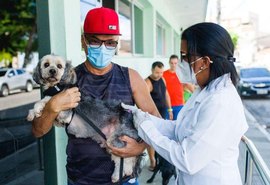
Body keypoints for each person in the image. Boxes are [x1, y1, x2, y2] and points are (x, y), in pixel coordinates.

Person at [31, 7, 160, 185]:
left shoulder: (131, 77)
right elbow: (38, 131)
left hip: (124, 177)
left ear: (117, 43)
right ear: (83, 41)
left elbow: (156, 119)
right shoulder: (67, 78)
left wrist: (140, 146)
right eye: (95, 41)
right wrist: (53, 107)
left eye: (110, 43)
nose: (102, 48)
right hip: (80, 179)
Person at [112, 22, 249, 185]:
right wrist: (139, 115)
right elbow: (179, 129)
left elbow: (187, 159)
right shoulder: (205, 91)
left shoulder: (220, 102)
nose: (180, 63)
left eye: (185, 57)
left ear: (204, 62)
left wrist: (145, 127)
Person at [145, 61, 173, 171]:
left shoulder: (162, 79)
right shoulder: (147, 82)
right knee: (151, 138)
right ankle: (152, 160)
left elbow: (166, 94)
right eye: (157, 72)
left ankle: (160, 158)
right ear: (152, 70)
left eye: (161, 72)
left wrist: (170, 109)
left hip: (163, 112)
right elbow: (144, 101)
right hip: (152, 115)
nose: (159, 75)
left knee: (161, 136)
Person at [163, 55, 184, 120]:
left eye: (175, 63)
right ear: (169, 63)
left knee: (177, 124)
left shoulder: (181, 74)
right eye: (171, 63)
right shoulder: (163, 74)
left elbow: (188, 86)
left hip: (179, 104)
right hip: (167, 104)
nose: (173, 65)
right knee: (167, 125)